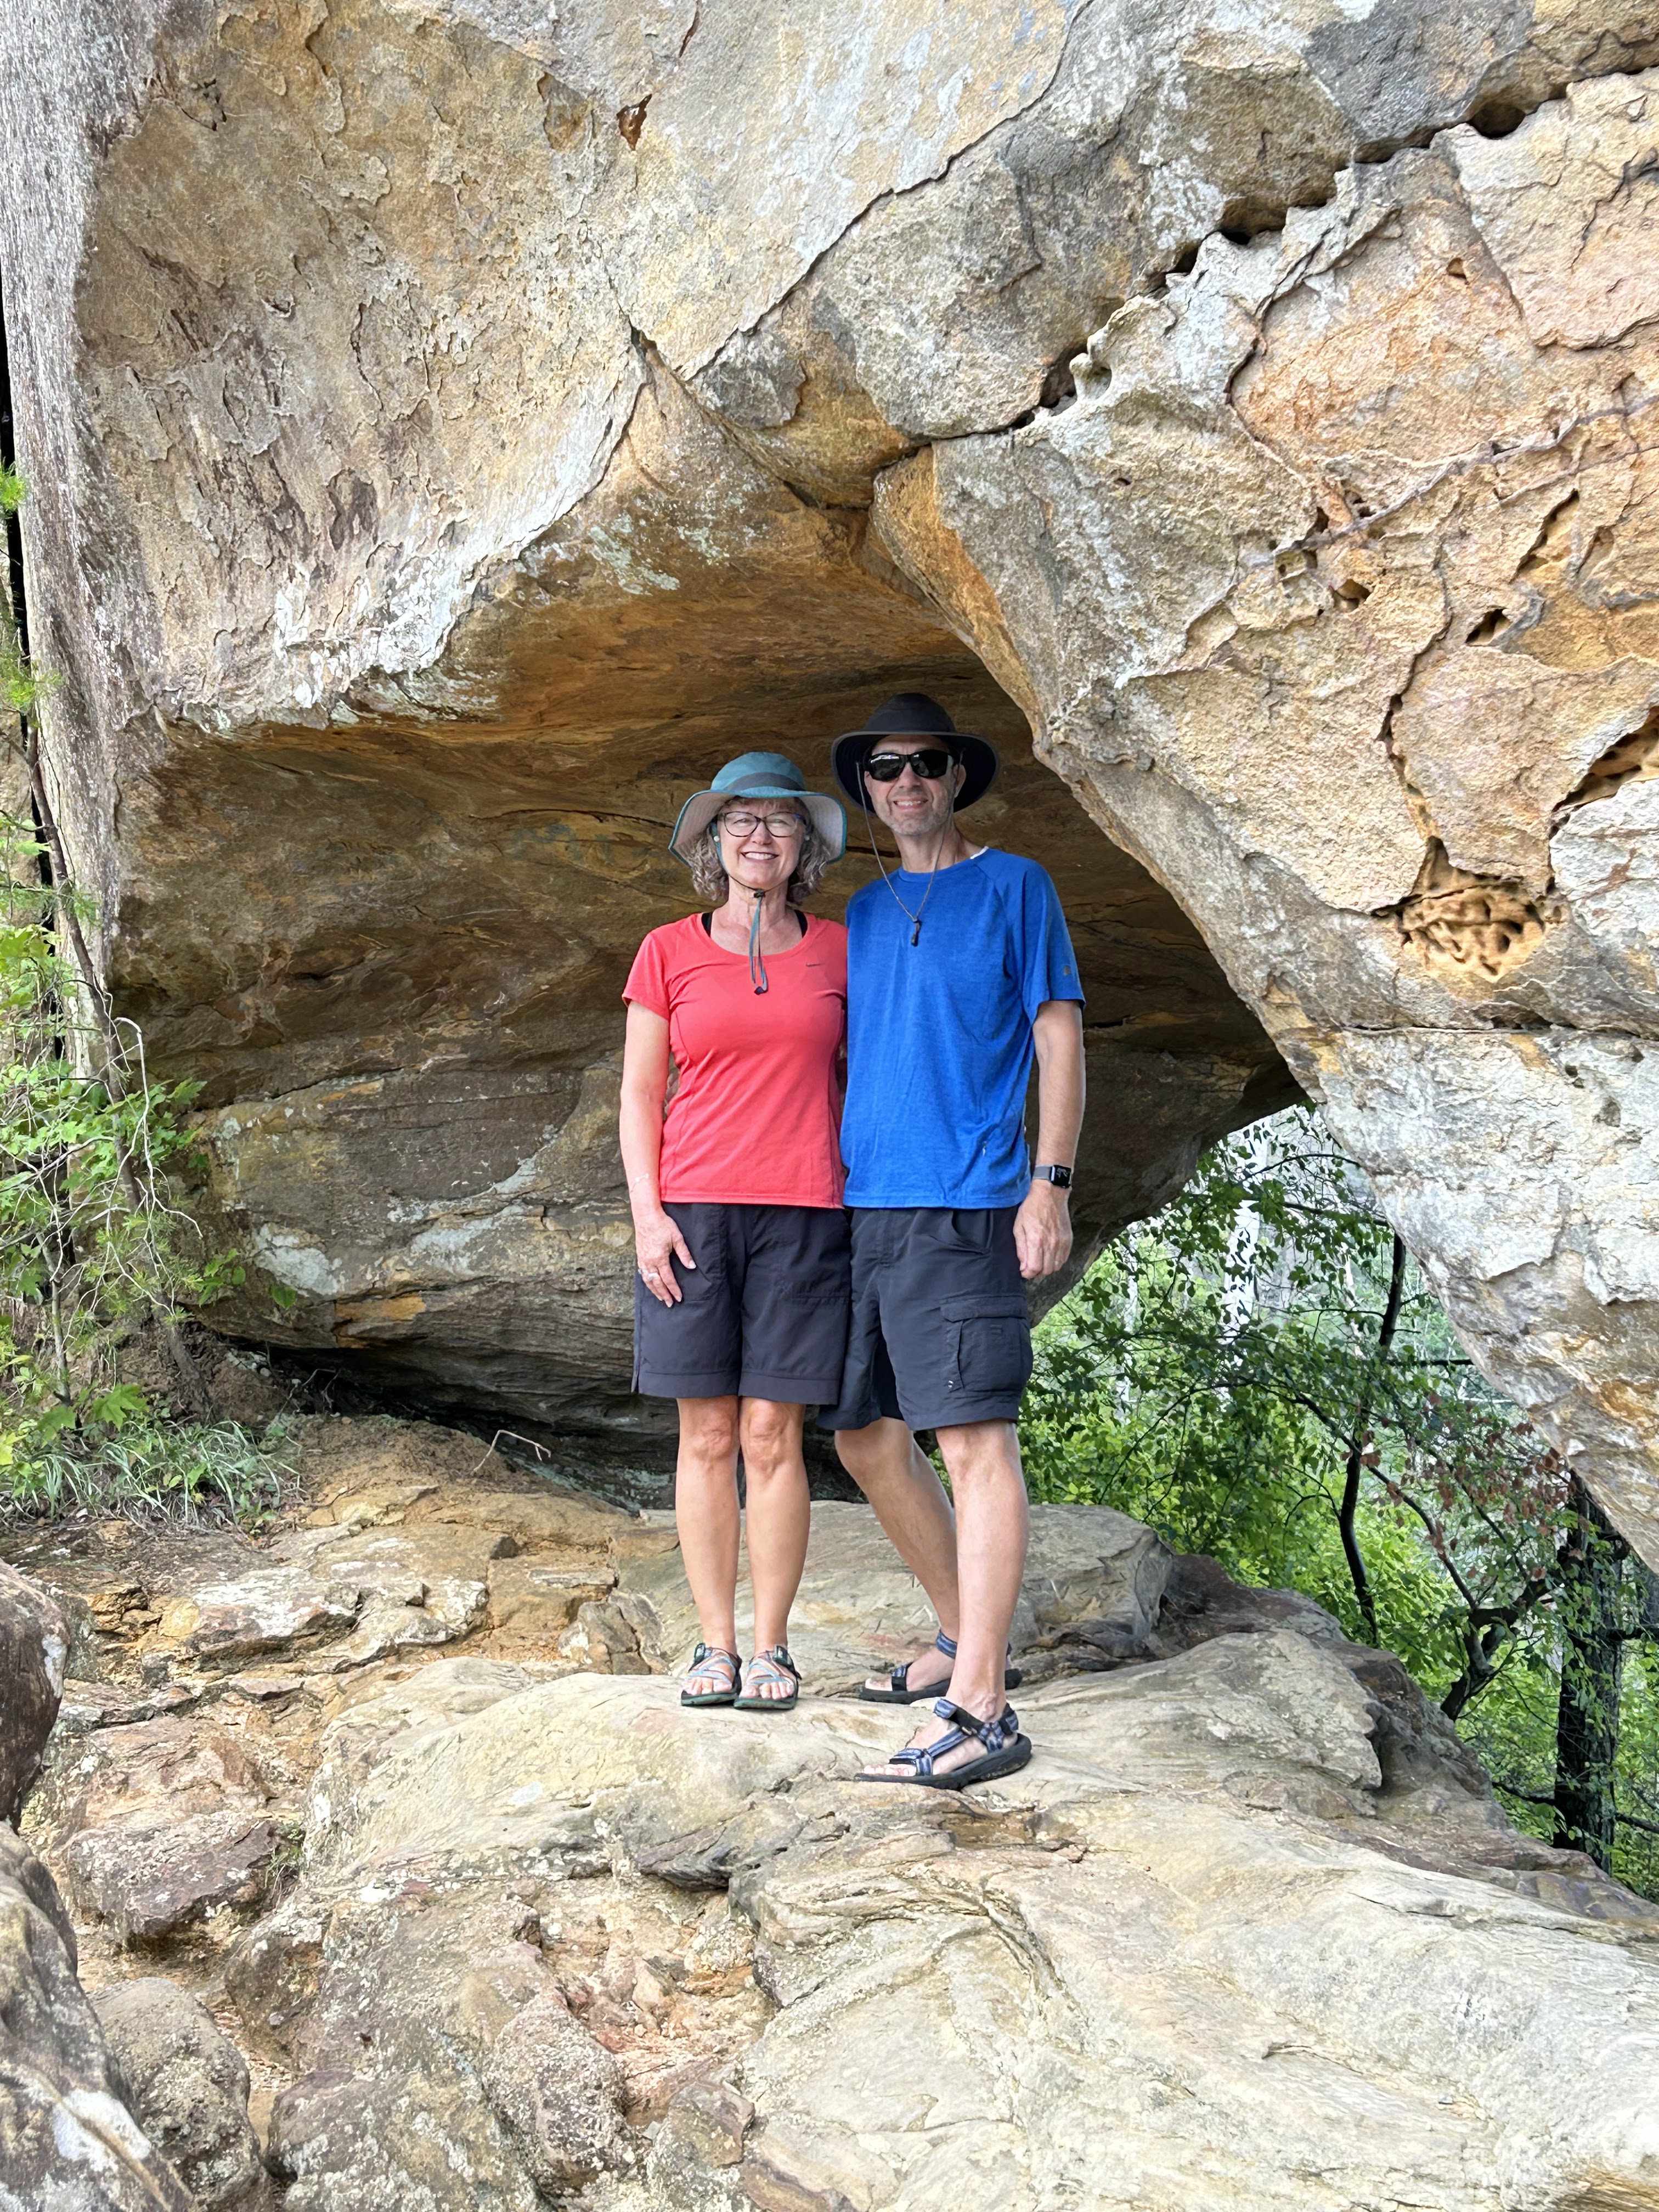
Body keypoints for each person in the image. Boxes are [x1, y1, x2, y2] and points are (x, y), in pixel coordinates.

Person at [824, 693, 1085, 1787]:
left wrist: (1049, 1185)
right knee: (864, 1435)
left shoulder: (1017, 886)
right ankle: (958, 1636)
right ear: (868, 786)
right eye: (887, 768)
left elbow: (1058, 1035)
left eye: (927, 763)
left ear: (956, 777)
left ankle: (983, 1708)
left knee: (975, 1446)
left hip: (968, 1202)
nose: (908, 782)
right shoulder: (865, 911)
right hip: (868, 1208)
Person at [620, 753, 849, 1713]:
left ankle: (772, 1649)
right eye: (740, 820)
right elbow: (640, 1096)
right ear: (714, 843)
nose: (760, 836)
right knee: (709, 1434)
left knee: (771, 1433)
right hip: (693, 1215)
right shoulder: (666, 950)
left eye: (780, 820)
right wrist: (648, 1215)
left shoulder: (842, 951)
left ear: (805, 846)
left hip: (807, 1212)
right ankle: (713, 1646)